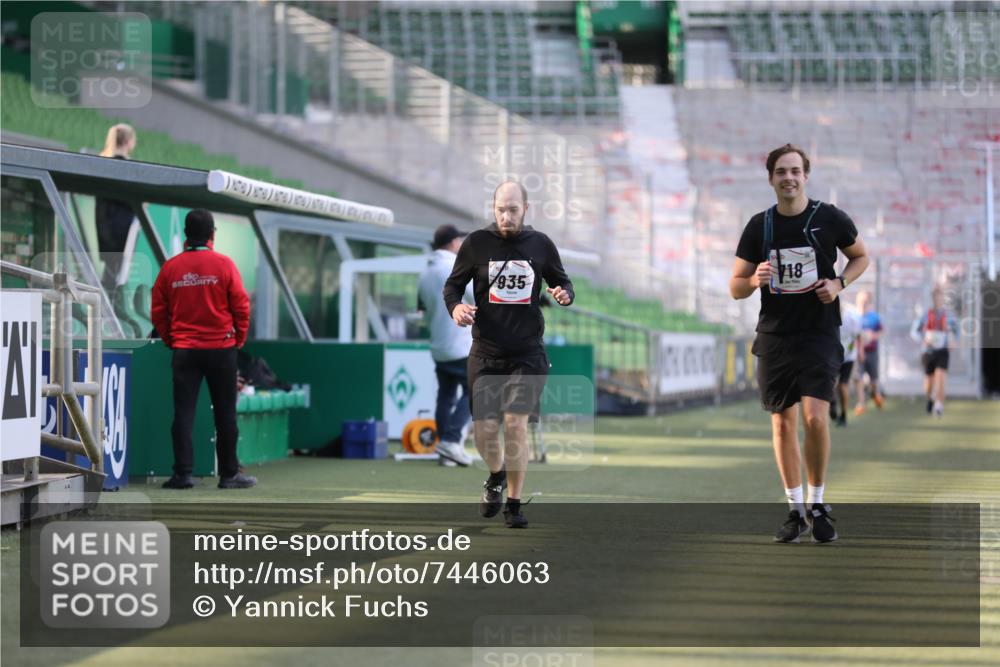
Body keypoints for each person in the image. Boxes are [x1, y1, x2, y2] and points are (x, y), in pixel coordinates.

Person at [729, 144, 869, 544]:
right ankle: (794, 510)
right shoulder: (760, 226)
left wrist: (839, 283)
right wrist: (754, 279)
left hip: (820, 332)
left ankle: (819, 502)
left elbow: (861, 257)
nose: (788, 177)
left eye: (795, 171)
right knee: (782, 422)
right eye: (780, 172)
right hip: (775, 335)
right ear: (771, 178)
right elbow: (735, 287)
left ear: (806, 175)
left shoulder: (829, 218)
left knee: (815, 418)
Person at [443, 181, 574, 528]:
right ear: (493, 207)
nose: (506, 215)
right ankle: (496, 476)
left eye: (513, 209)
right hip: (486, 352)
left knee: (515, 424)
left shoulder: (541, 244)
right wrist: (456, 307)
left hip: (528, 352)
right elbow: (452, 285)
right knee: (485, 430)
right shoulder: (476, 244)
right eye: (500, 208)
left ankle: (514, 504)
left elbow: (563, 281)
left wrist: (564, 293)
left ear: (525, 209)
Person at [151, 209, 256, 489]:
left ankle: (183, 474)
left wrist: (170, 339)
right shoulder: (224, 264)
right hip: (222, 349)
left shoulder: (170, 268)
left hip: (185, 350)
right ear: (212, 235)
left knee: (183, 413)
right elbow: (242, 306)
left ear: (186, 234)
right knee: (225, 413)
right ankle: (229, 475)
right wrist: (239, 339)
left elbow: (158, 312)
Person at [418, 224, 474, 467]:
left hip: (439, 346)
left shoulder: (425, 273)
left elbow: (421, 309)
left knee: (446, 397)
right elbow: (479, 296)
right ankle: (451, 440)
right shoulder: (453, 266)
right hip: (460, 343)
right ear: (453, 243)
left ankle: (445, 451)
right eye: (461, 240)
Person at [96, 124, 142, 334]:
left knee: (110, 275)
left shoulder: (102, 162)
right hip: (121, 229)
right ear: (128, 141)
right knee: (115, 277)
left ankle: (104, 312)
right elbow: (132, 197)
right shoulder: (124, 166)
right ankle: (108, 316)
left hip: (105, 227)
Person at [911, 287, 959, 417]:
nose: (938, 300)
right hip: (928, 351)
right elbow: (914, 332)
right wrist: (924, 340)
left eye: (941, 297)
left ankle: (939, 406)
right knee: (928, 384)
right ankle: (931, 398)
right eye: (936, 297)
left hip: (942, 351)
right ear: (933, 299)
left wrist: (954, 341)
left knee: (941, 377)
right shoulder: (925, 315)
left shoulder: (949, 315)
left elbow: (956, 330)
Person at [832, 299, 863, 427]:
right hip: (832, 356)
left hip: (848, 357)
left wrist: (860, 351)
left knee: (843, 385)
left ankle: (843, 414)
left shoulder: (850, 318)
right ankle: (832, 406)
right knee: (828, 384)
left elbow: (858, 335)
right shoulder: (827, 318)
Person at [854, 290, 885, 415]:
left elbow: (882, 331)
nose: (863, 304)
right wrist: (859, 349)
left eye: (866, 302)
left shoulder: (874, 317)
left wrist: (873, 336)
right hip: (857, 353)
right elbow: (853, 336)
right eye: (861, 301)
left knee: (873, 379)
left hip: (872, 352)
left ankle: (875, 394)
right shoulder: (854, 317)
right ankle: (861, 403)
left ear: (870, 303)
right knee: (859, 378)